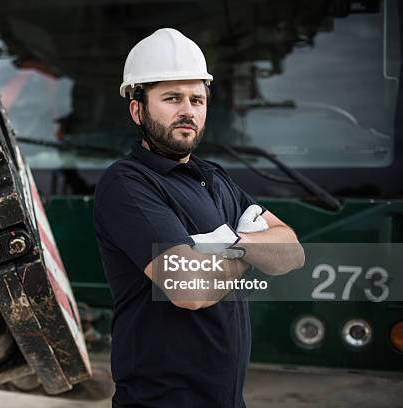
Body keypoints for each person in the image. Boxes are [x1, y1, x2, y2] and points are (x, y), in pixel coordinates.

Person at [93, 28, 305, 408]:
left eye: (197, 99)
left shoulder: (216, 179)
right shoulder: (127, 184)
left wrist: (229, 247)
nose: (188, 110)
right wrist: (251, 251)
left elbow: (290, 252)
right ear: (137, 109)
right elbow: (189, 289)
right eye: (171, 98)